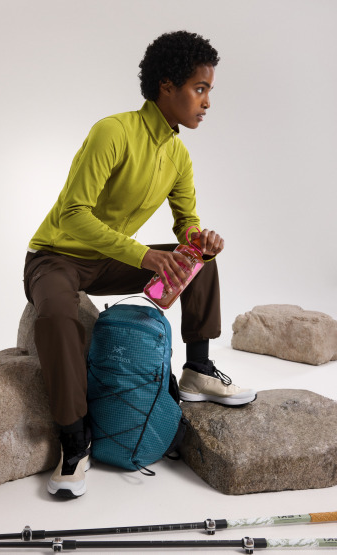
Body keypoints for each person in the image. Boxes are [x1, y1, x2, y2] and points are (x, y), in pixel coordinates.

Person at [23, 31, 257, 499]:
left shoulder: (178, 155)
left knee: (200, 262)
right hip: (56, 257)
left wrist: (200, 242)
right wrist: (144, 256)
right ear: (166, 86)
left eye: (209, 90)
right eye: (199, 88)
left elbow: (186, 225)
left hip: (110, 260)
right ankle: (75, 440)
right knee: (57, 314)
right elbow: (73, 214)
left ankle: (198, 368)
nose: (207, 102)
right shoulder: (113, 132)